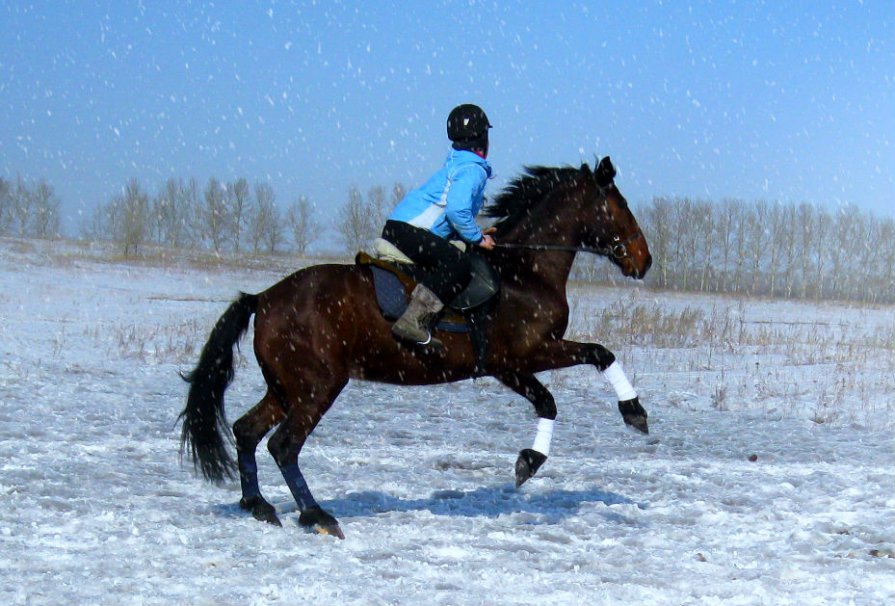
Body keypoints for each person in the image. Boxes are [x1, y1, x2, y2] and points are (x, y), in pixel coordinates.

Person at [382, 103, 497, 346]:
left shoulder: (456, 163)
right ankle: (414, 320)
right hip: (409, 231)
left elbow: (447, 216)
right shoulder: (472, 169)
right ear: (482, 138)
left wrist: (473, 233)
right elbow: (456, 211)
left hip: (400, 228)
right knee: (458, 264)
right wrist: (477, 238)